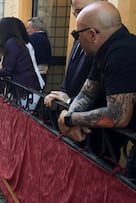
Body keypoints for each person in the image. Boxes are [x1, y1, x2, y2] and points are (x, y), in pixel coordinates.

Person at [57, 1, 136, 174]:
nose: (76, 40)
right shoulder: (103, 51)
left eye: (77, 34)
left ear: (92, 34)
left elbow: (118, 115)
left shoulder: (122, 53)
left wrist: (69, 120)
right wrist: (71, 116)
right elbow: (87, 93)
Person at [44, 0, 97, 107]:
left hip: (86, 114)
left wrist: (70, 101)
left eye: (88, 10)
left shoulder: (106, 44)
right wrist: (61, 95)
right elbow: (71, 72)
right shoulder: (78, 37)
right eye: (78, 12)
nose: (83, 16)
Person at [26, 17, 52, 83]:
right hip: (44, 72)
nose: (27, 31)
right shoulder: (45, 38)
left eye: (28, 28)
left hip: (33, 73)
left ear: (35, 28)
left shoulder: (32, 38)